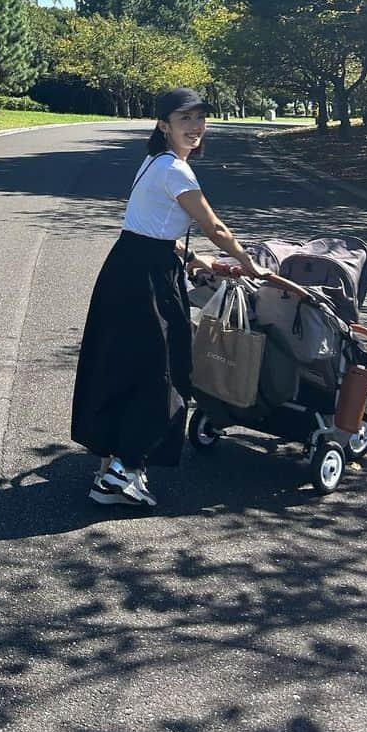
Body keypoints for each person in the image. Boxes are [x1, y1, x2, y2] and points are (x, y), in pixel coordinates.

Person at [70, 86, 267, 508]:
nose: (195, 127)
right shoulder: (175, 171)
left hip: (130, 267)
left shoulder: (154, 163)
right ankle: (122, 472)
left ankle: (115, 462)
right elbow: (215, 227)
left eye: (200, 118)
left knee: (127, 366)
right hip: (146, 280)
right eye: (185, 120)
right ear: (164, 125)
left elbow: (152, 227)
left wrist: (197, 259)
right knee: (164, 370)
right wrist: (248, 263)